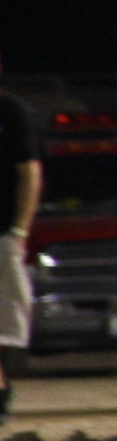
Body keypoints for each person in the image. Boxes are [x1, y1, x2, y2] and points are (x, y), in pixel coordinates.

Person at [0, 53, 36, 418]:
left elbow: (30, 172)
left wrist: (20, 228)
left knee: (6, 321)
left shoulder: (12, 112)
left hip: (1, 231)